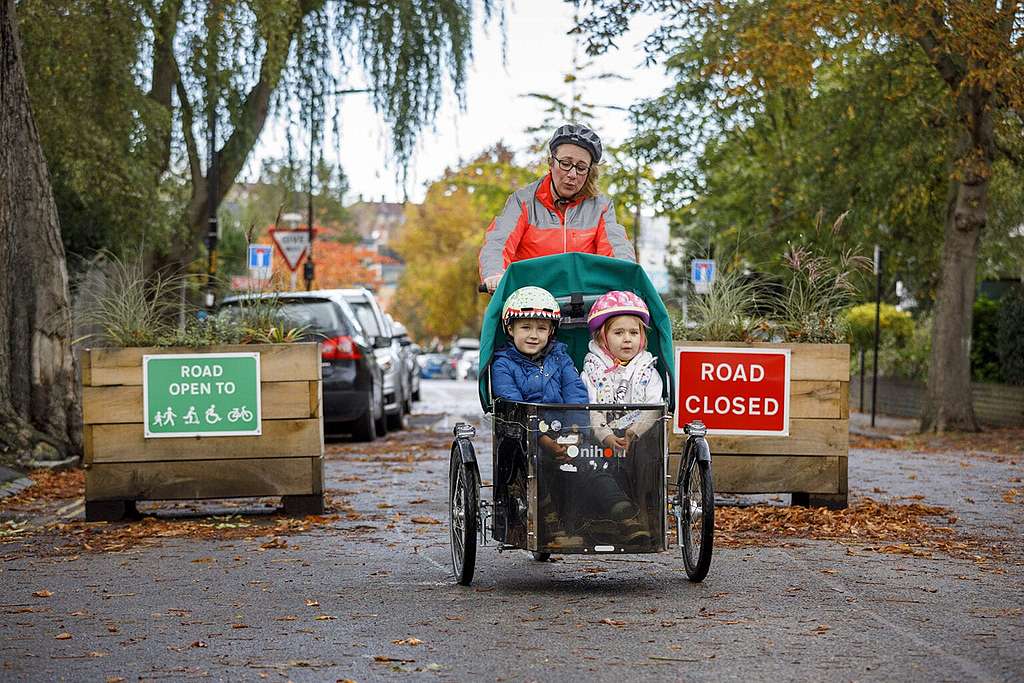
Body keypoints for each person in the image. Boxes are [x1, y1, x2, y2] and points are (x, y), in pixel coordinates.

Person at [479, 124, 636, 292]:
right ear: (551, 163)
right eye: (565, 163)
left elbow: (617, 246)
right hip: (531, 297)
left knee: (627, 316)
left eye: (581, 168)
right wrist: (495, 273)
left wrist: (626, 274)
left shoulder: (601, 207)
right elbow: (499, 240)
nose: (572, 174)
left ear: (589, 172)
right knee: (533, 319)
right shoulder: (522, 201)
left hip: (587, 298)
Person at [582, 291, 664, 451]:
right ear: (601, 338)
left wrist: (634, 431)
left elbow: (654, 407)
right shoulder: (591, 373)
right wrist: (607, 437)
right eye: (618, 333)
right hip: (598, 444)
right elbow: (590, 410)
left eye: (634, 333)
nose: (627, 338)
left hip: (640, 441)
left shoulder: (648, 372)